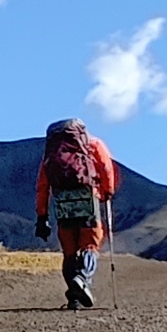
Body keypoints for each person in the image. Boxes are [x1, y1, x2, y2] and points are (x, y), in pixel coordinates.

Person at [35, 118, 120, 310]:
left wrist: (42, 216)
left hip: (62, 202)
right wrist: (107, 192)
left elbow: (42, 186)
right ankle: (82, 279)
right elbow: (106, 168)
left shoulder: (51, 154)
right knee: (90, 244)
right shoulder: (93, 144)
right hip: (88, 198)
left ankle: (73, 298)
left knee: (70, 251)